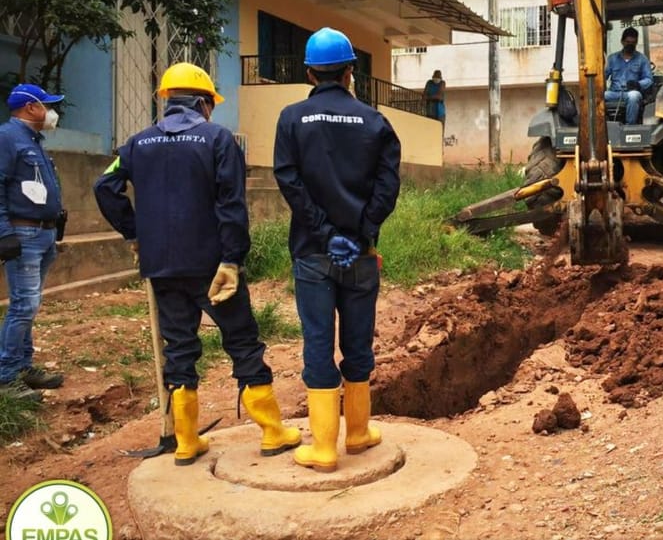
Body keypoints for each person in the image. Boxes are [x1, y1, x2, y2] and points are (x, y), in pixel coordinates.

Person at [94, 62, 300, 466]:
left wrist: (135, 233)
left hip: (161, 265)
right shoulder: (218, 139)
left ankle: (186, 441)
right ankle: (272, 432)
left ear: (167, 100)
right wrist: (233, 259)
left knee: (179, 347)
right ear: (204, 103)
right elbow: (231, 204)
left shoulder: (136, 144)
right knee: (241, 341)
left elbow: (104, 186)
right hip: (213, 265)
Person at [273, 27, 401, 473]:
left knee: (318, 343)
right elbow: (388, 187)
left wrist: (327, 235)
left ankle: (324, 448)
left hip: (313, 252)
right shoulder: (376, 122)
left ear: (310, 73)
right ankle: (359, 434)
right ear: (351, 72)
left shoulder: (291, 119)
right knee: (358, 343)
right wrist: (361, 234)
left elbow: (289, 181)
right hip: (360, 255)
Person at [0, 84, 68, 402]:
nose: (51, 112)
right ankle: (6, 376)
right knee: (24, 305)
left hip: (44, 233)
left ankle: (24, 367)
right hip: (24, 234)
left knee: (31, 304)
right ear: (30, 107)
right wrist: (4, 232)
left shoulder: (33, 141)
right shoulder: (7, 138)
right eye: (47, 105)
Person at [604, 27, 653, 125]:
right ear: (622, 41)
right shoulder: (612, 59)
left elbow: (649, 79)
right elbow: (603, 76)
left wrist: (638, 84)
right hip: (614, 93)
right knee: (599, 96)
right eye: (627, 42)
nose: (630, 45)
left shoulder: (642, 59)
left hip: (631, 93)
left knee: (634, 96)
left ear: (636, 42)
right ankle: (603, 124)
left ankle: (630, 126)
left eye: (633, 43)